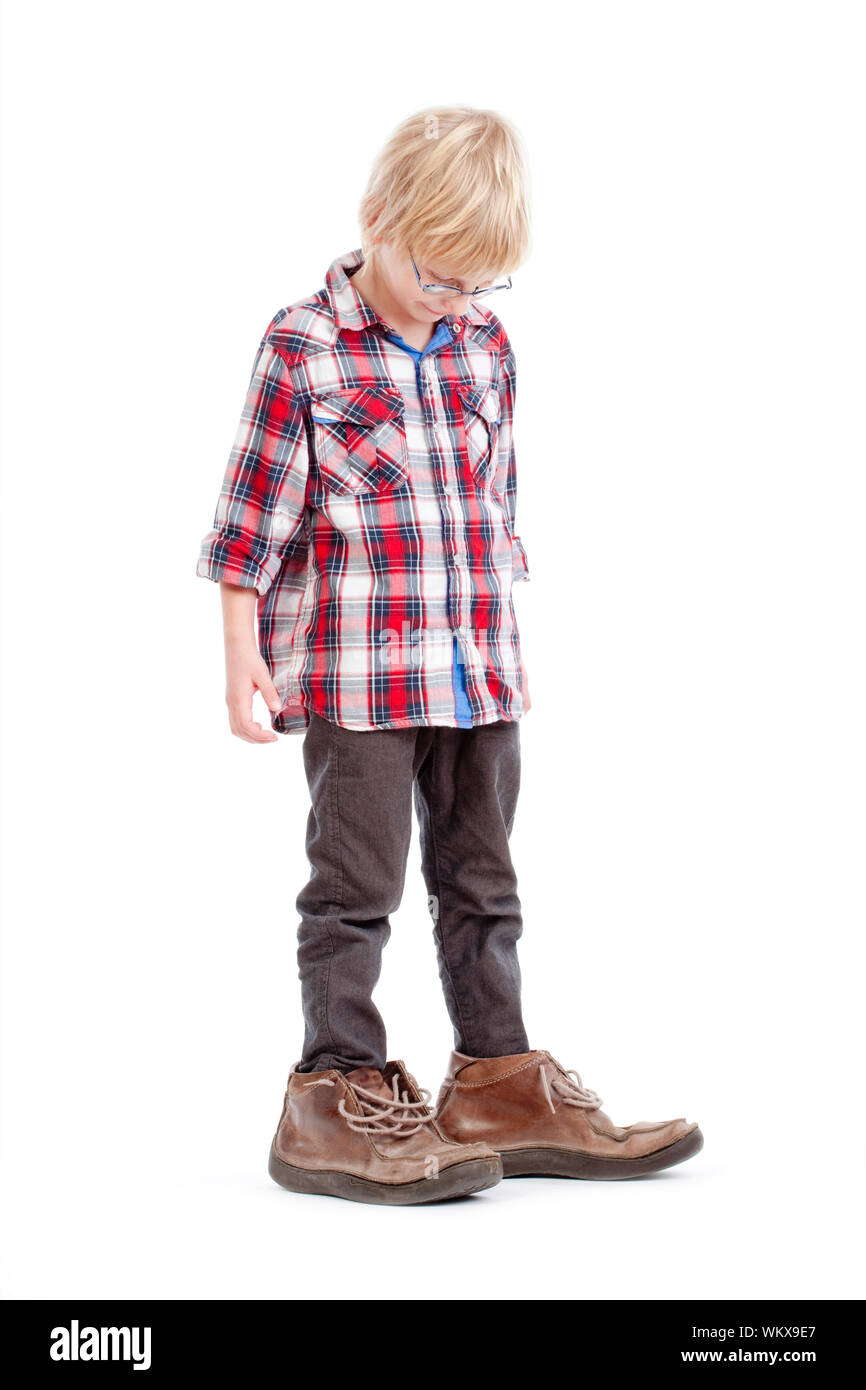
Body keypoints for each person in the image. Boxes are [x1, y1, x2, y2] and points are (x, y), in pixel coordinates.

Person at [196, 106, 703, 1205]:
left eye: (482, 282)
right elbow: (253, 516)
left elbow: (492, 501)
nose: (459, 300)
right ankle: (333, 1092)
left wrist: (503, 640)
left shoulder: (482, 344)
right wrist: (241, 643)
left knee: (483, 880)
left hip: (477, 665)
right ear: (376, 221)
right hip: (360, 675)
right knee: (355, 887)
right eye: (437, 274)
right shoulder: (305, 345)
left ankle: (495, 1080)